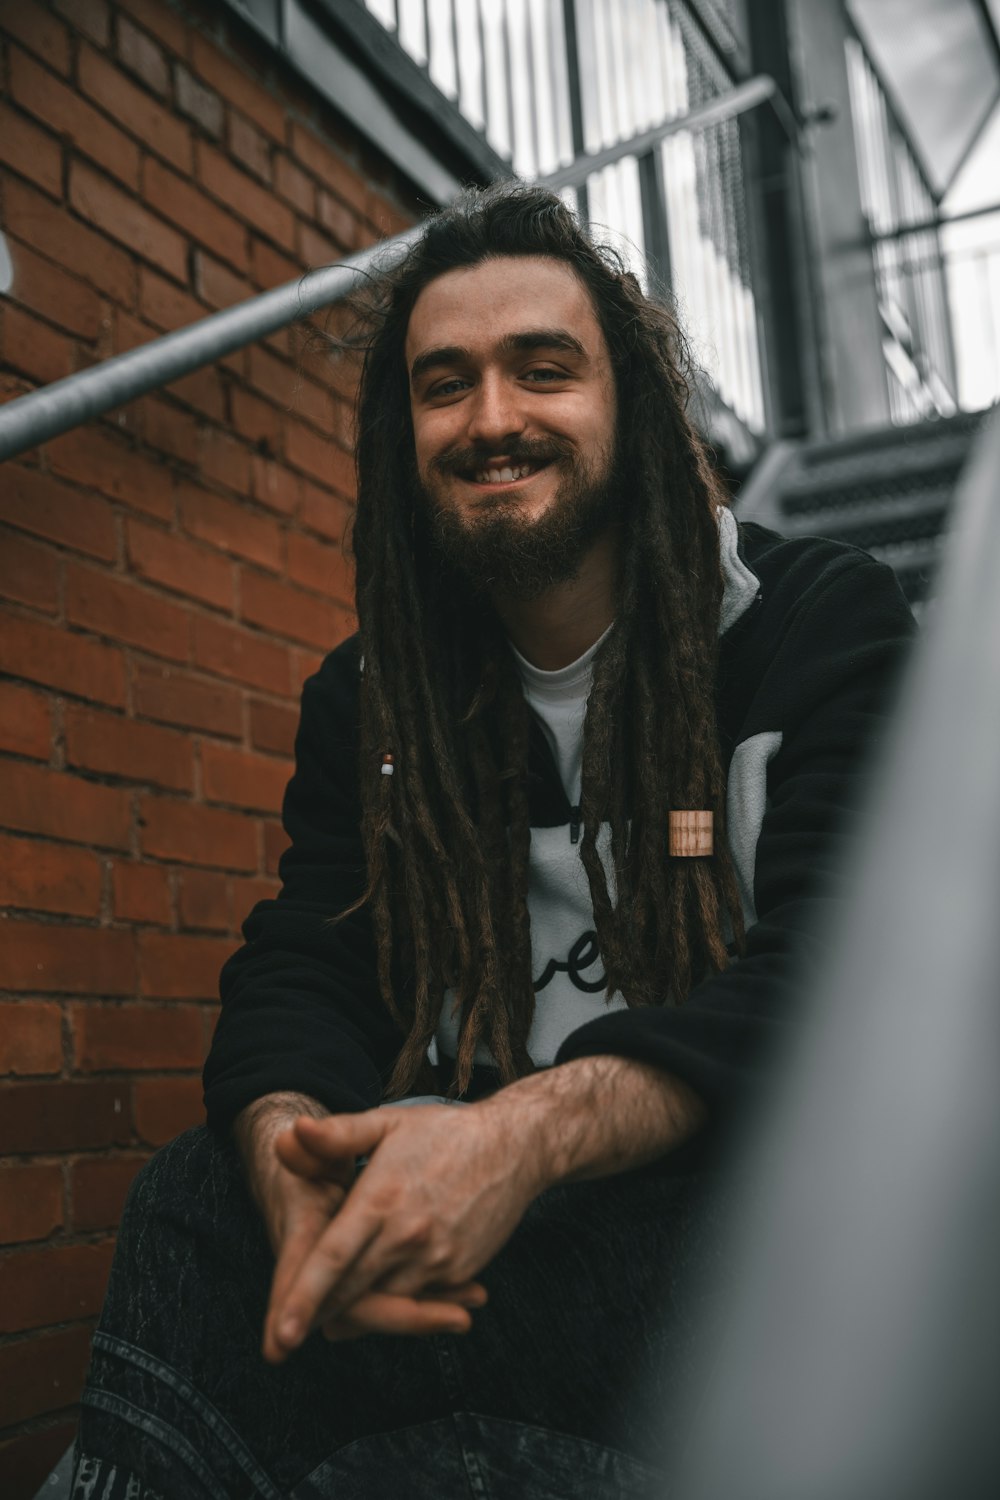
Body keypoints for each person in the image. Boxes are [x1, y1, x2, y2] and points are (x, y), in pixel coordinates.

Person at [72, 184, 915, 1498]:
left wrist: (525, 1138)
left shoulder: (814, 624)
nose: (493, 419)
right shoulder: (373, 700)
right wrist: (292, 1157)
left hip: (716, 1208)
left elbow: (845, 979)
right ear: (404, 433)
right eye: (444, 383)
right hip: (467, 1231)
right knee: (198, 1191)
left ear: (628, 403)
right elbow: (303, 962)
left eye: (543, 369)